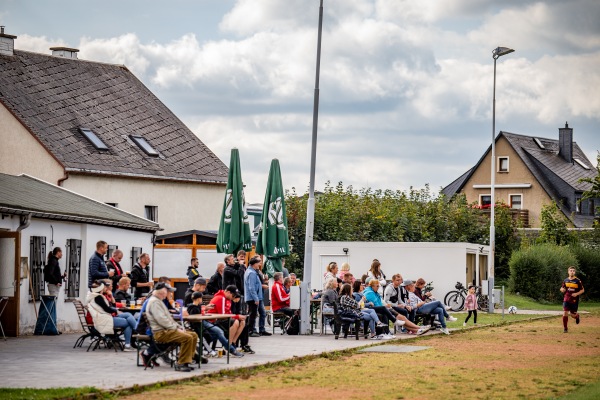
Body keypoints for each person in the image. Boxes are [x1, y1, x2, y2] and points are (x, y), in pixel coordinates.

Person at [146, 282, 199, 372]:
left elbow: (168, 320)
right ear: (163, 292)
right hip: (161, 332)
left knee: (193, 335)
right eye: (169, 292)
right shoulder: (155, 302)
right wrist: (176, 328)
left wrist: (178, 327)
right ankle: (181, 363)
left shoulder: (158, 301)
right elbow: (162, 320)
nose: (170, 294)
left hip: (166, 331)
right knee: (188, 337)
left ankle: (187, 360)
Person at [187, 291, 243, 358]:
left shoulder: (197, 306)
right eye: (201, 298)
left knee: (219, 332)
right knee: (219, 332)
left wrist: (205, 309)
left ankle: (202, 348)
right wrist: (205, 309)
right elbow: (196, 316)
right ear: (199, 299)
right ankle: (231, 349)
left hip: (204, 322)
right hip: (201, 323)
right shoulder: (193, 307)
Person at [86, 280, 137, 351]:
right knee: (128, 323)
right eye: (104, 287)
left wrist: (115, 307)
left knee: (128, 315)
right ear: (100, 289)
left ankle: (135, 331)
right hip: (105, 319)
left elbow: (110, 306)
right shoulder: (98, 297)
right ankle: (129, 343)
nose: (105, 288)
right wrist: (116, 311)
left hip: (105, 317)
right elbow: (107, 309)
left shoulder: (96, 296)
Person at [209, 285, 249, 354]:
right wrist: (237, 317)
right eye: (233, 295)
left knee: (242, 322)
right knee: (235, 322)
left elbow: (229, 313)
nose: (233, 297)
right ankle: (228, 346)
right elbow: (223, 315)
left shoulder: (228, 299)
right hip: (215, 320)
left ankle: (233, 343)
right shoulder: (221, 298)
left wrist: (238, 317)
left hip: (222, 319)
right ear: (228, 292)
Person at [245, 256, 270, 337]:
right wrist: (256, 298)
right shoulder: (251, 273)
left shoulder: (252, 271)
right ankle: (251, 330)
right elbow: (251, 287)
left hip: (255, 296)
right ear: (254, 264)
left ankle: (256, 330)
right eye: (258, 263)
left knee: (256, 313)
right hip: (253, 297)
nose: (259, 264)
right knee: (253, 314)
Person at [560, 266, 584, 333]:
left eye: (573, 271)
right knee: (565, 313)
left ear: (575, 272)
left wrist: (576, 294)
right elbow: (562, 288)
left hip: (574, 300)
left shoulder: (578, 281)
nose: (572, 272)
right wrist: (562, 290)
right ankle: (565, 328)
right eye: (571, 270)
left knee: (572, 315)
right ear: (568, 272)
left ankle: (577, 316)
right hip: (566, 299)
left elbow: (582, 290)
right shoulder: (565, 280)